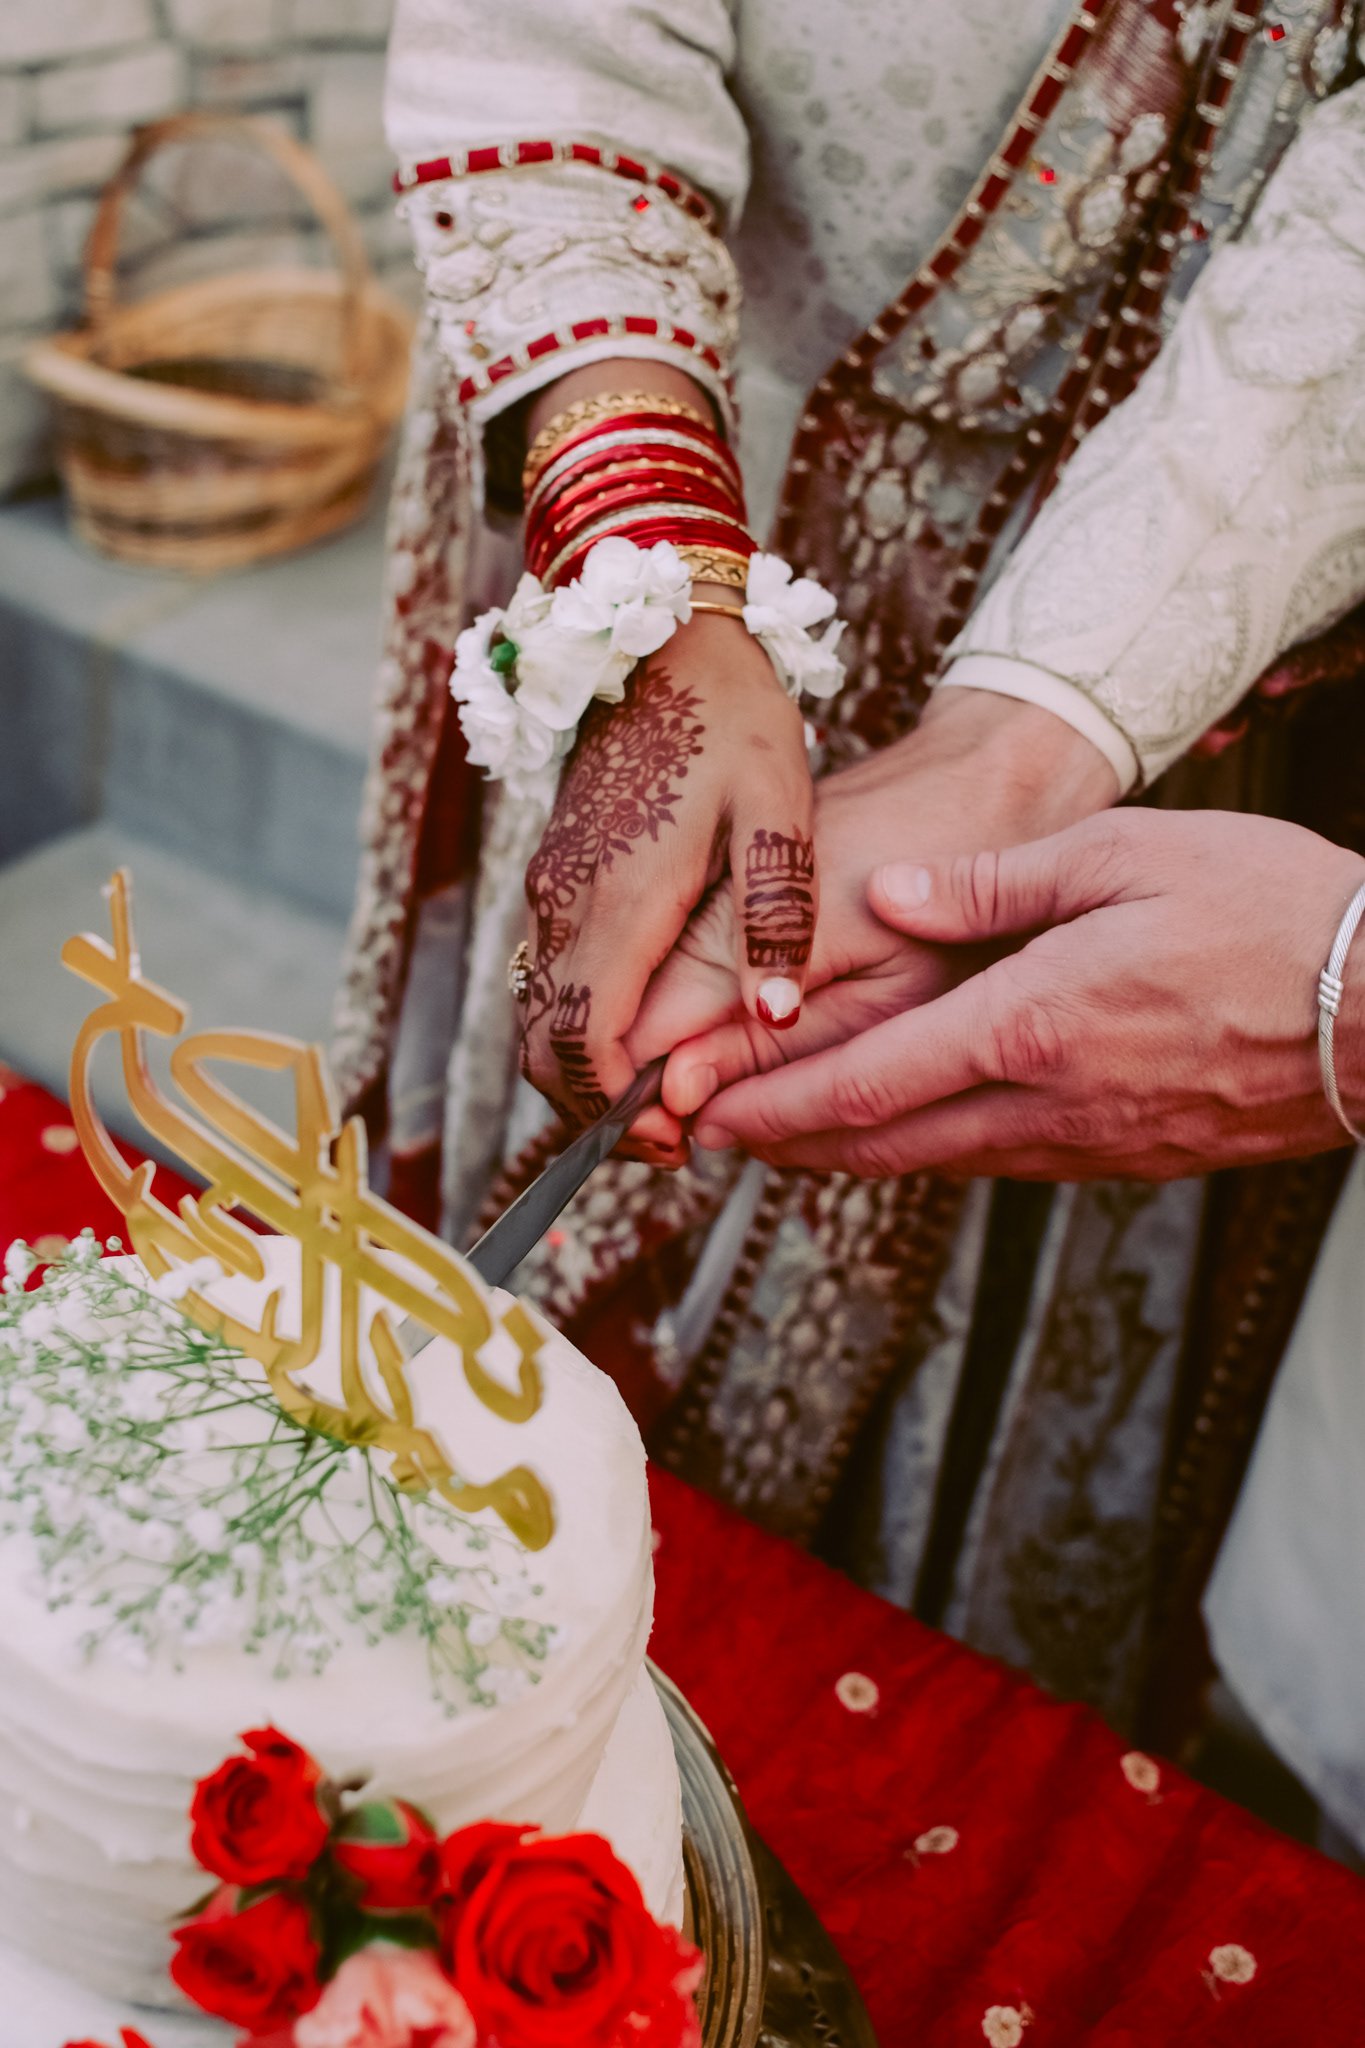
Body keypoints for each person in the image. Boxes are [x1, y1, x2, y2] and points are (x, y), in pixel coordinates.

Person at [334, 0, 1365, 1729]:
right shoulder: (651, 603)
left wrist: (1032, 732)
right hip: (684, 564)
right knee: (593, 1096)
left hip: (1212, 696)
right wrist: (643, 578)